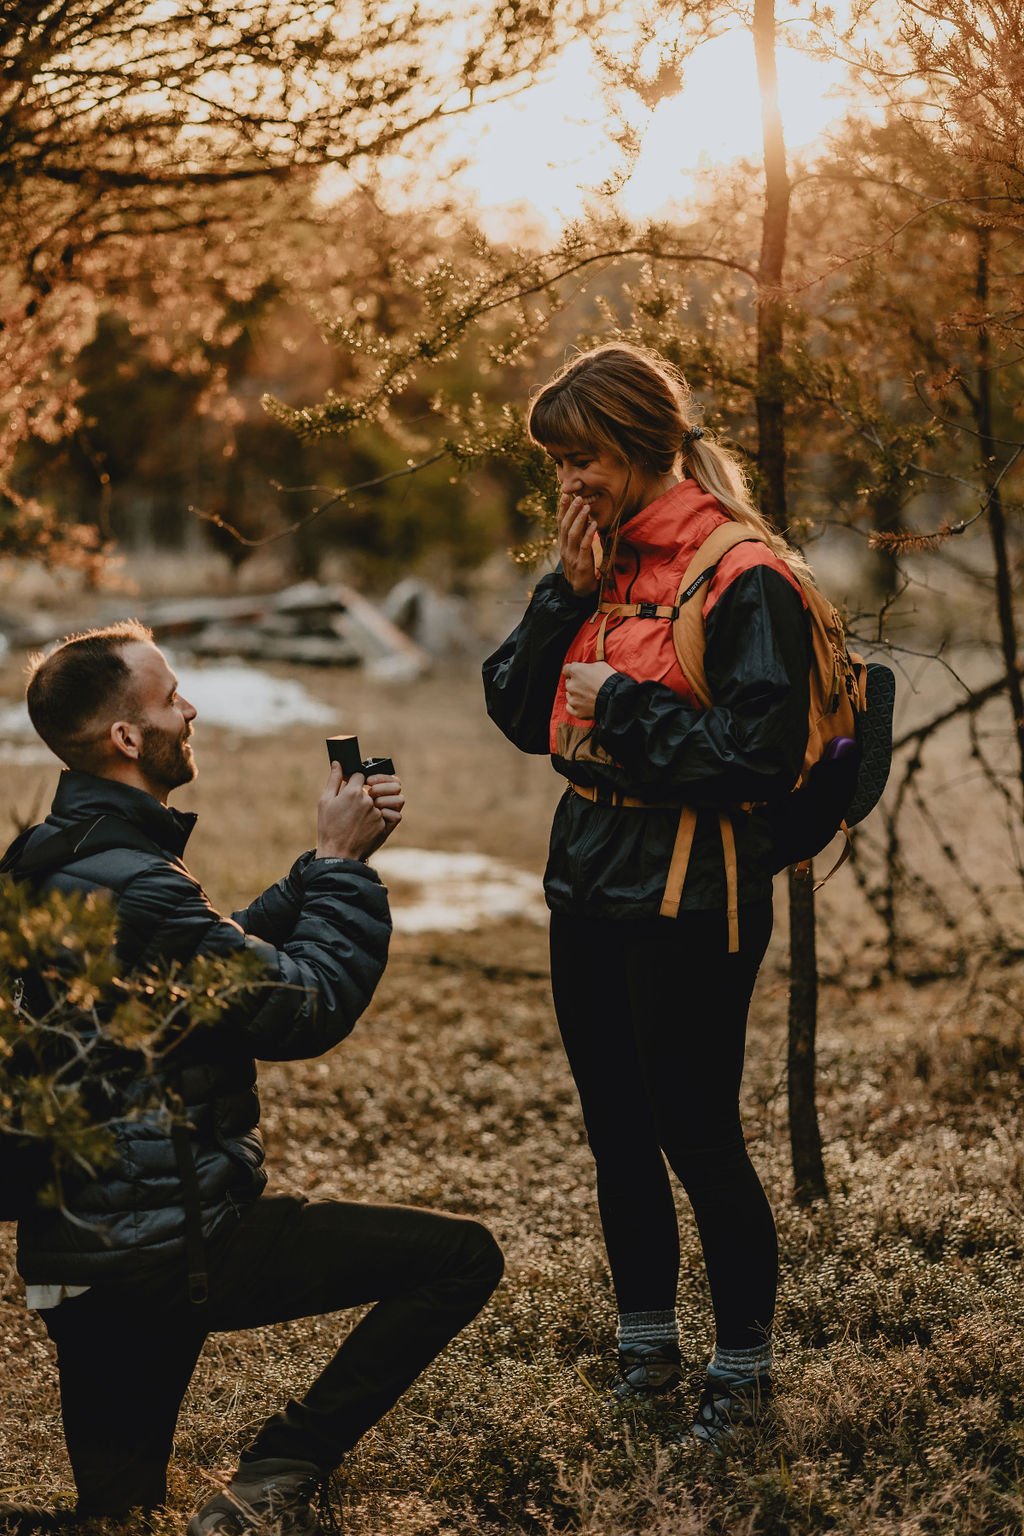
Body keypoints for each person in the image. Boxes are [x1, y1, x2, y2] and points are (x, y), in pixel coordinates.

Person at [5, 620, 503, 1535]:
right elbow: (301, 1008)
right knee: (461, 1260)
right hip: (172, 1252)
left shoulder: (55, 859)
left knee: (118, 1521)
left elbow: (201, 959)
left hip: (79, 1260)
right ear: (126, 737)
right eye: (168, 698)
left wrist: (315, 873)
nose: (188, 709)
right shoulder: (136, 883)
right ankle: (283, 1468)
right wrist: (345, 870)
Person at [482, 343, 811, 1446]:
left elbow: (758, 758)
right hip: (585, 875)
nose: (567, 482)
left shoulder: (743, 573)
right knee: (614, 1129)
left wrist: (622, 708)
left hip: (693, 887)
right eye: (556, 464)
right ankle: (644, 1348)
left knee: (696, 1132)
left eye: (582, 459)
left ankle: (746, 1371)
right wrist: (560, 597)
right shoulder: (600, 562)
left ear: (638, 446)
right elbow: (521, 717)